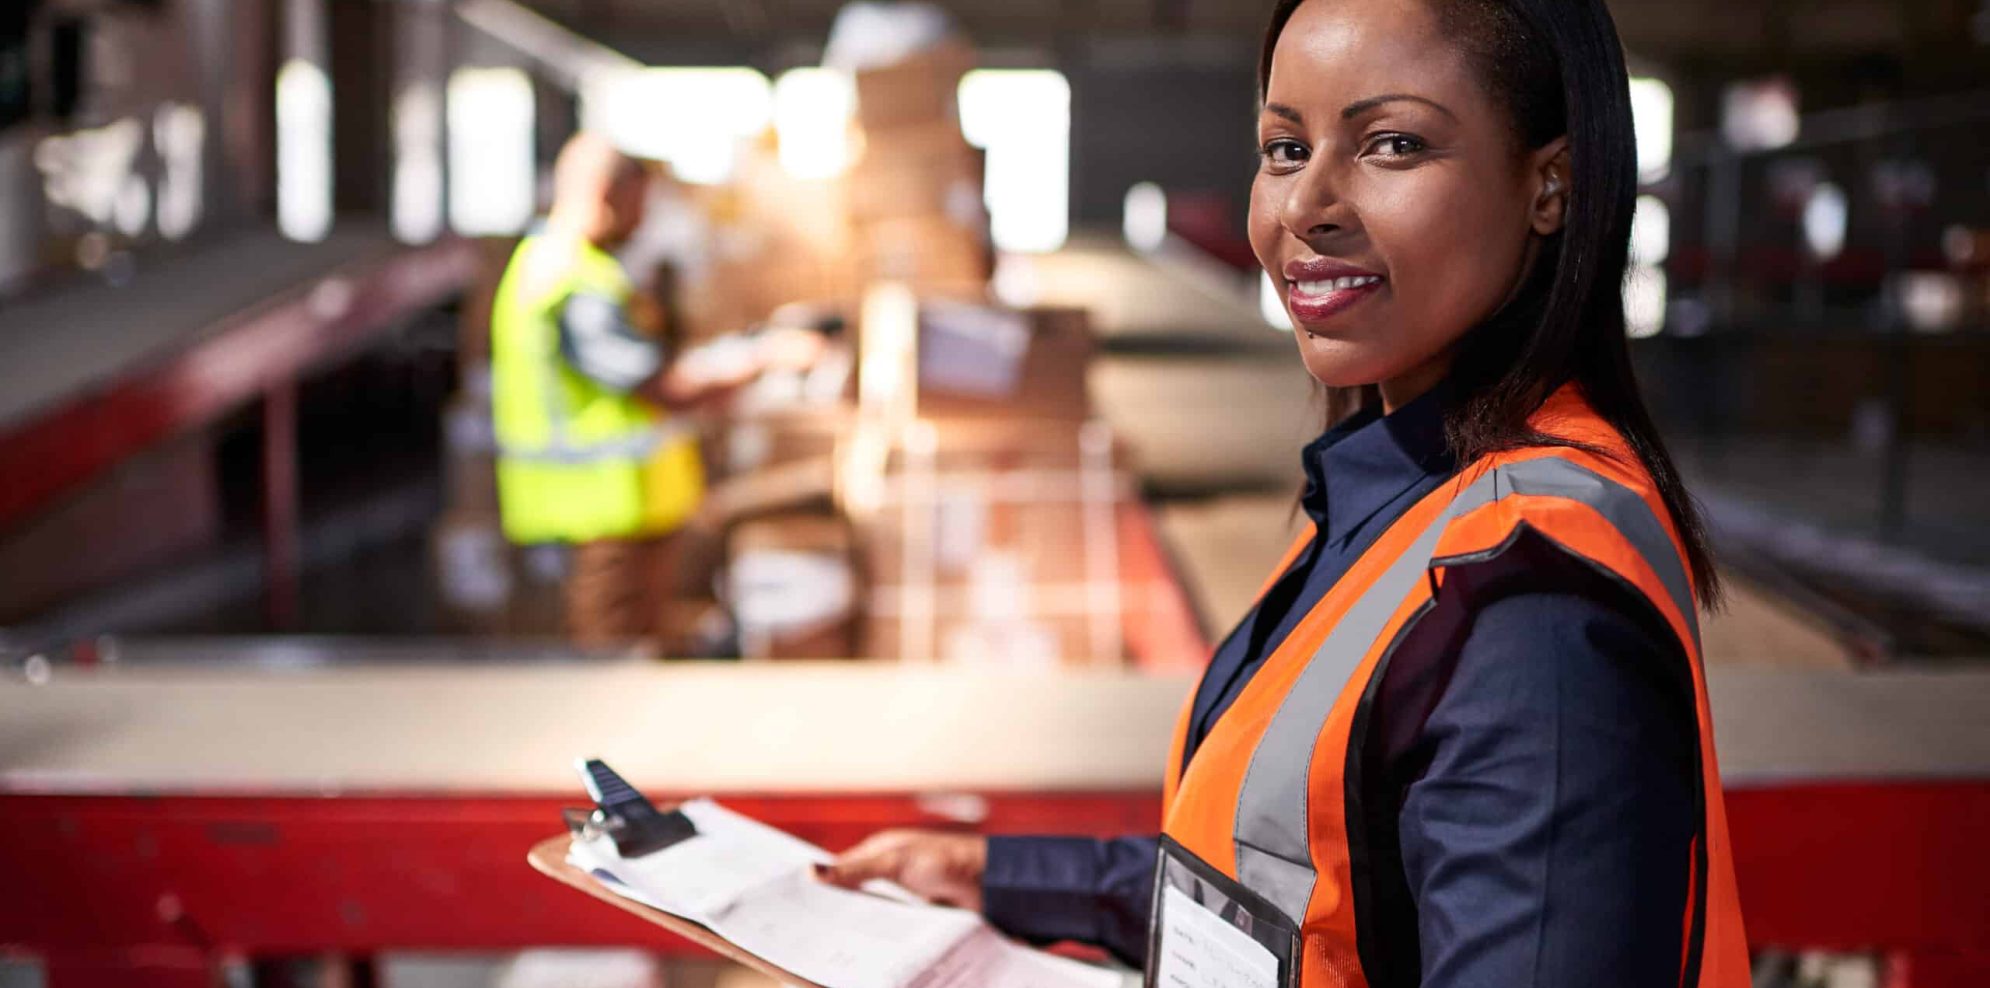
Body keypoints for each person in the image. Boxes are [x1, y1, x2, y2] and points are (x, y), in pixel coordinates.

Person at [821, 0, 1751, 985]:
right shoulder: (1406, 500)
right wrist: (1002, 877)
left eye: (1391, 144)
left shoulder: (1527, 611)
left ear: (1549, 184)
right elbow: (1301, 893)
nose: (1305, 206)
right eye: (1283, 146)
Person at [490, 133, 816, 645]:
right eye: (638, 204)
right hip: (600, 519)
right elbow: (658, 386)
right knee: (609, 663)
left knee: (630, 656)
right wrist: (761, 358)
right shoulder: (573, 281)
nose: (642, 221)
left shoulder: (569, 269)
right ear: (604, 194)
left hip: (615, 515)